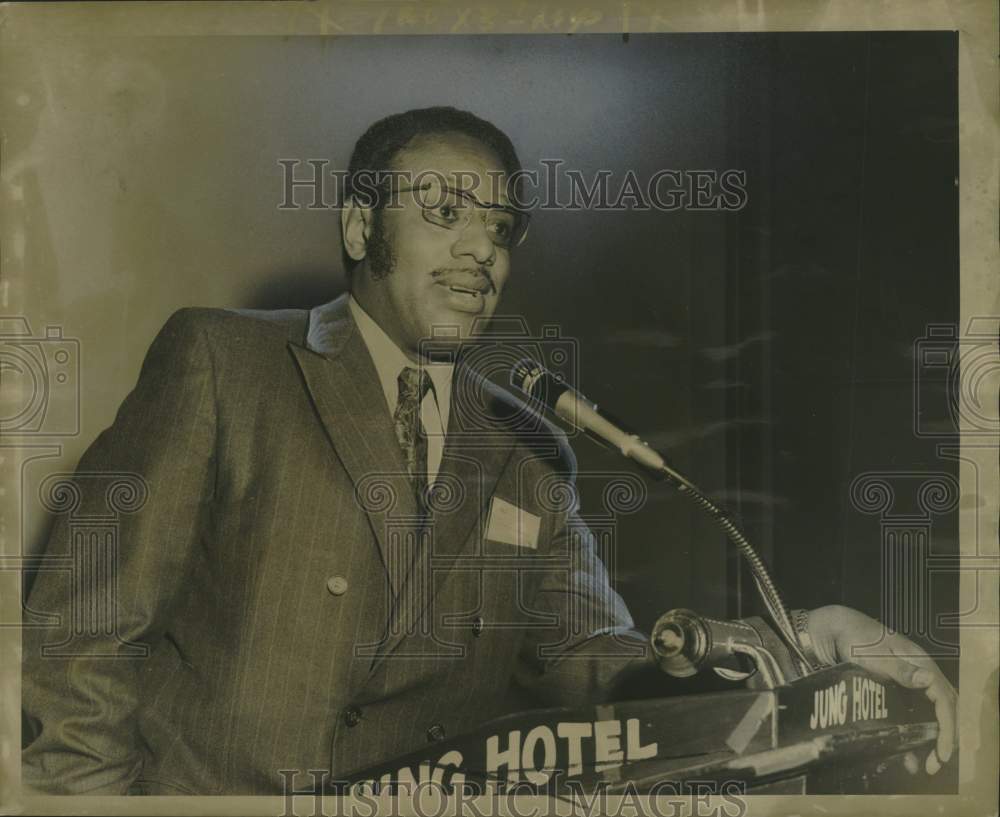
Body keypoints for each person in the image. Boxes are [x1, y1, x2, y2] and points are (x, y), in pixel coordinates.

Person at [21, 106, 956, 796]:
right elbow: (81, 638)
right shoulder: (224, 363)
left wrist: (780, 640)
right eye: (443, 213)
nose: (481, 252)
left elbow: (596, 665)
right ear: (358, 227)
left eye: (500, 228)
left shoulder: (529, 447)